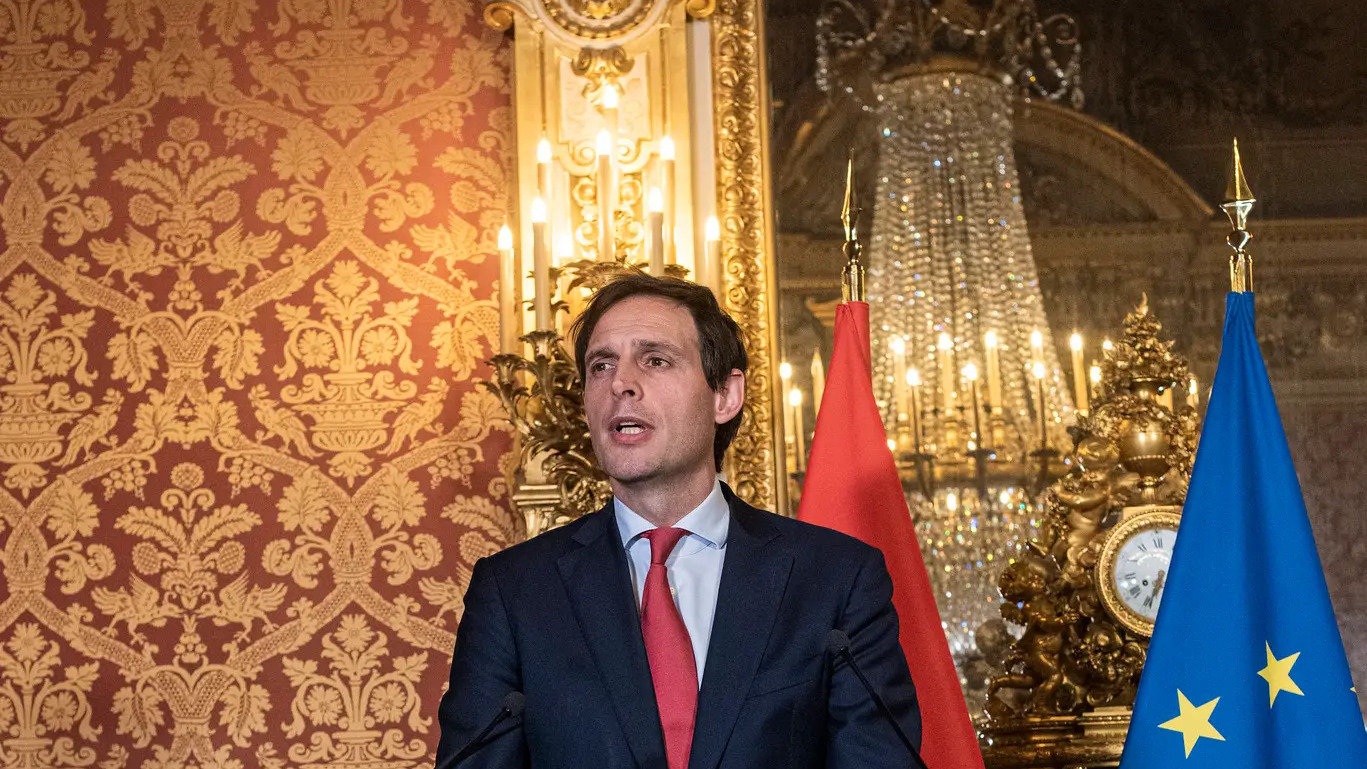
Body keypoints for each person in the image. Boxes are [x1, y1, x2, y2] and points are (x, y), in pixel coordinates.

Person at [434, 273, 922, 768]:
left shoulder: (836, 580)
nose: (620, 383)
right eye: (600, 366)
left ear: (724, 397)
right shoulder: (514, 592)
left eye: (656, 360)